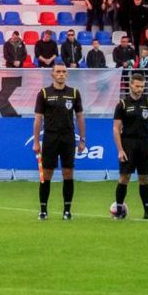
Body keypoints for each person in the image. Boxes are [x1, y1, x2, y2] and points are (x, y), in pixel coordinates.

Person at [33, 64, 86, 220]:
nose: (61, 74)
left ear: (67, 74)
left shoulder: (74, 93)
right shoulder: (44, 93)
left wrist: (82, 139)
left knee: (68, 173)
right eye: (58, 71)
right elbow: (37, 119)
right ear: (52, 74)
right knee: (46, 174)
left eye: (64, 72)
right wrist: (36, 141)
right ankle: (43, 210)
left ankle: (67, 211)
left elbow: (80, 117)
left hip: (68, 137)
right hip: (50, 137)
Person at [112, 74, 148, 220]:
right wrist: (120, 150)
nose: (140, 89)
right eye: (137, 86)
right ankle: (119, 209)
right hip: (128, 144)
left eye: (142, 86)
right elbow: (116, 128)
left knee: (144, 178)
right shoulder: (122, 104)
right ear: (131, 85)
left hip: (144, 143)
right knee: (124, 177)